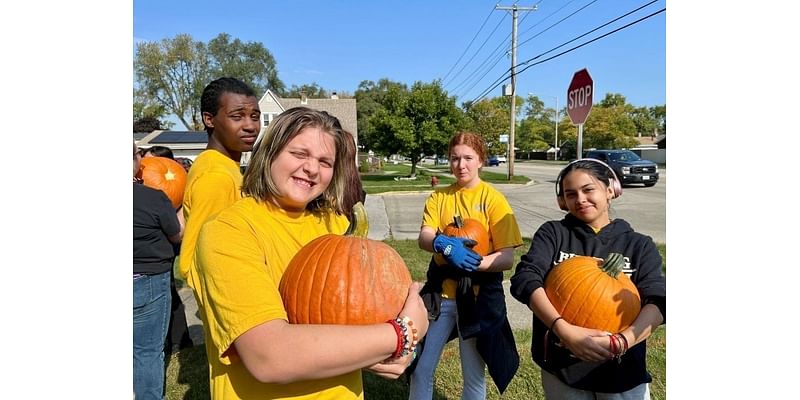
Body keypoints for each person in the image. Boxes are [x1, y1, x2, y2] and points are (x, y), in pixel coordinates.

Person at [191, 106, 430, 399]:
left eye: (325, 161)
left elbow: (356, 318)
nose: (312, 168)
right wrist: (402, 333)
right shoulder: (228, 231)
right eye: (299, 154)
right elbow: (269, 356)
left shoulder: (336, 225)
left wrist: (394, 349)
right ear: (270, 152)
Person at [509, 159, 666, 399]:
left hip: (621, 373)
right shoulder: (554, 234)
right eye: (571, 194)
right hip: (561, 369)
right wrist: (565, 331)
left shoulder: (639, 245)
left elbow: (658, 301)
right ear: (562, 201)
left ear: (611, 190)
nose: (580, 199)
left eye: (588, 189)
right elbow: (525, 279)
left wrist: (622, 342)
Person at [409, 131, 523, 399]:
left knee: (473, 375)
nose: (461, 165)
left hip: (476, 299)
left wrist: (476, 263)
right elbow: (424, 236)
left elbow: (507, 258)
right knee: (420, 368)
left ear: (481, 160)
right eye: (455, 158)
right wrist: (442, 244)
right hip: (442, 298)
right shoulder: (439, 198)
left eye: (468, 158)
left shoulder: (493, 200)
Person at [179, 77, 260, 307]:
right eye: (237, 116)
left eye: (254, 116)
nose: (250, 125)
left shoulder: (224, 166)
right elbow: (193, 257)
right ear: (209, 119)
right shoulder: (216, 176)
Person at [133, 142, 183, 400]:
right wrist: (180, 209)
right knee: (147, 350)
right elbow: (176, 235)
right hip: (147, 279)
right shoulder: (153, 198)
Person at [141, 144, 194, 353]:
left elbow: (177, 230)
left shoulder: (167, 190)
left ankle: (179, 341)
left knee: (168, 294)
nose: (145, 165)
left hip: (163, 245)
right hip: (156, 244)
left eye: (150, 160)